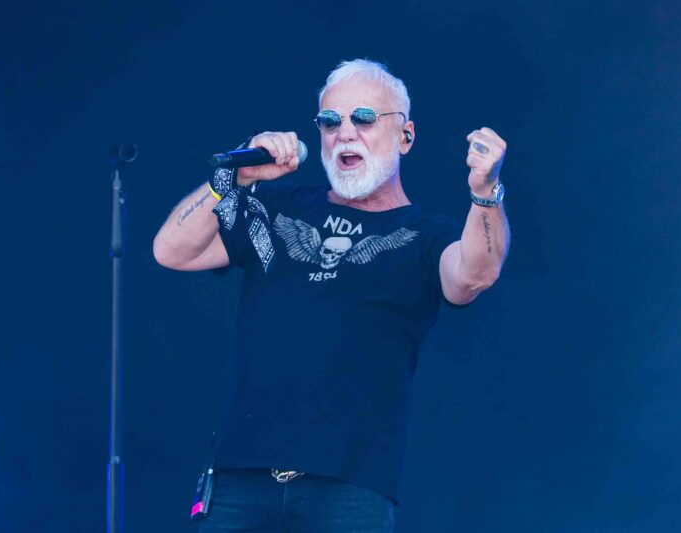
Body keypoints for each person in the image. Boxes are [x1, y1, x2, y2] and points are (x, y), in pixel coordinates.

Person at [153, 59, 510, 532]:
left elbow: (473, 276)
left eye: (363, 118)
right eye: (329, 121)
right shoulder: (277, 207)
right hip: (240, 478)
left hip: (349, 487)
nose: (345, 133)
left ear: (405, 136)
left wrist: (485, 193)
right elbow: (172, 251)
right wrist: (236, 178)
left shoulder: (426, 235)